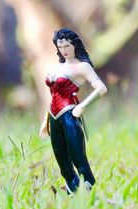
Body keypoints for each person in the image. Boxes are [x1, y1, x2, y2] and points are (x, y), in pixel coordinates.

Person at [39, 28, 107, 195]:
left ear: (74, 45)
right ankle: (73, 191)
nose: (64, 50)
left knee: (78, 157)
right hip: (54, 117)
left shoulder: (82, 67)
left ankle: (88, 187)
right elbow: (53, 96)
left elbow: (101, 88)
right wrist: (45, 121)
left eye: (67, 46)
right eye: (60, 47)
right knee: (62, 160)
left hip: (70, 114)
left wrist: (82, 106)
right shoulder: (57, 67)